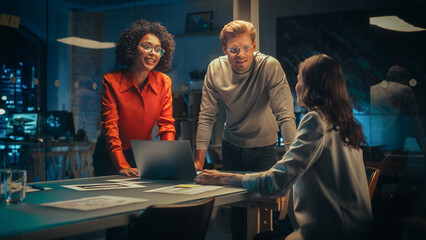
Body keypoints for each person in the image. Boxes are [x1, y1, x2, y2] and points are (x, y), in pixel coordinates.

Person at [195, 54, 373, 240]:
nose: (296, 86)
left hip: (329, 233)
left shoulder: (316, 120)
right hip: (355, 230)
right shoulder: (345, 123)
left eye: (299, 79)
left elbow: (275, 182)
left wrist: (223, 177)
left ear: (311, 86)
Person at [194, 20, 297, 239]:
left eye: (246, 48)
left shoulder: (270, 66)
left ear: (254, 45)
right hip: (231, 145)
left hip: (264, 147)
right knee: (237, 210)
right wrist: (198, 162)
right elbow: (206, 115)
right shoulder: (215, 68)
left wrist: (292, 157)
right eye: (233, 50)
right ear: (224, 49)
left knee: (266, 207)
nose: (240, 54)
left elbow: (285, 115)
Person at [93, 19, 176, 178]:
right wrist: (122, 165)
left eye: (158, 49)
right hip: (110, 155)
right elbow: (110, 128)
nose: (153, 53)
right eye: (147, 46)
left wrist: (168, 160)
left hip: (141, 154)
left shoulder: (164, 82)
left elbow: (166, 125)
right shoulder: (111, 81)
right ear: (131, 49)